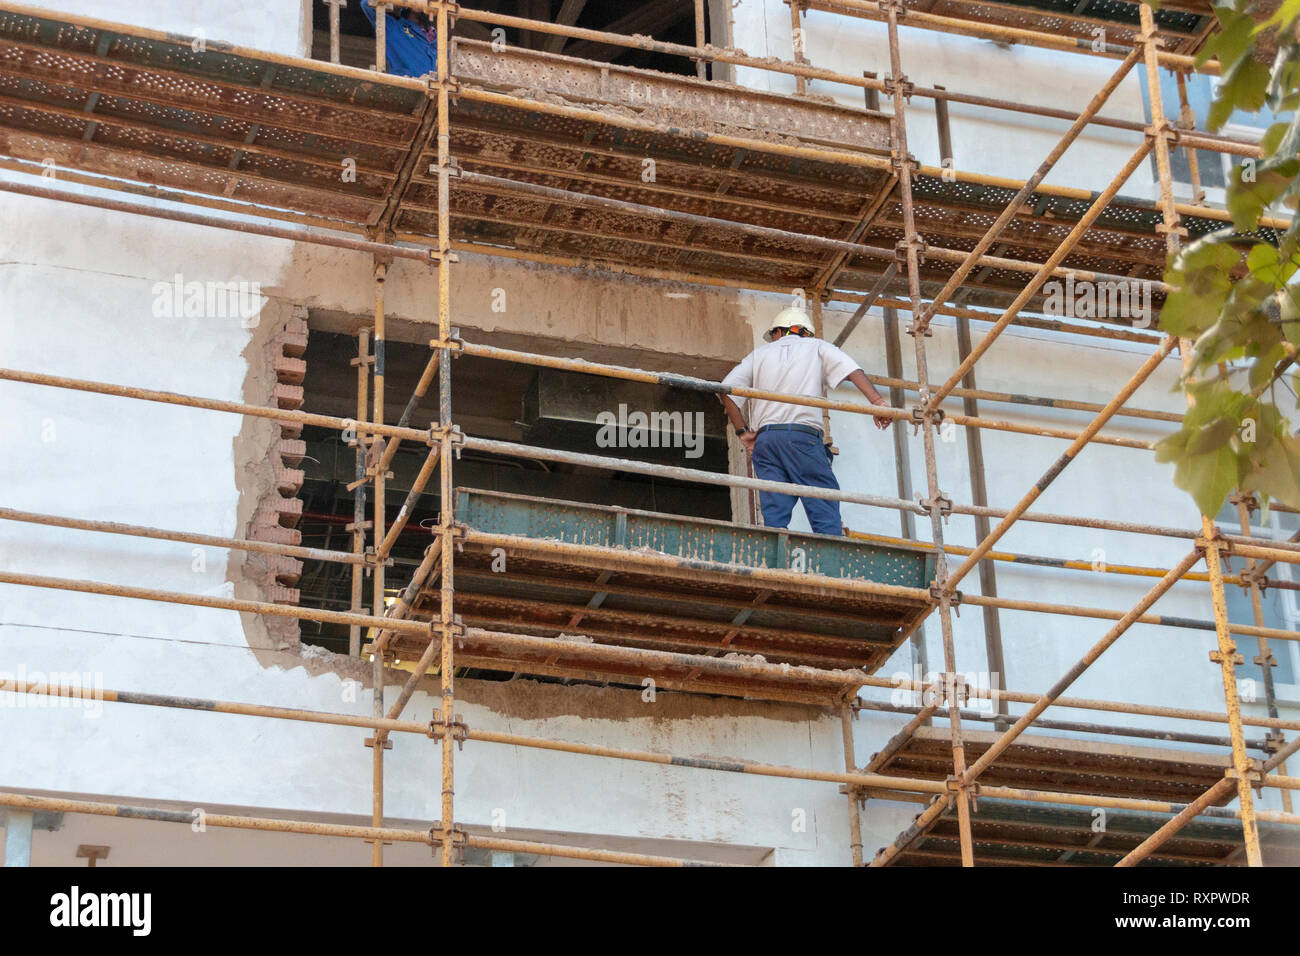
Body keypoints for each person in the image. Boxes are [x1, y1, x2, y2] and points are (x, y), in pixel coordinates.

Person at [719, 307, 892, 536]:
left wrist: (743, 432)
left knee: (774, 511)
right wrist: (877, 402)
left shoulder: (759, 355)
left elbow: (726, 391)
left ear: (778, 331)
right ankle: (831, 560)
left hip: (767, 440)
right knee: (823, 501)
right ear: (805, 332)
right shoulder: (818, 346)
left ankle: (774, 564)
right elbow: (852, 370)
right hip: (802, 438)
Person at [360, 0, 437, 78]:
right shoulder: (393, 28)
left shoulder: (439, 38)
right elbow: (366, 4)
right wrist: (401, 2)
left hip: (434, 88)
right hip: (407, 85)